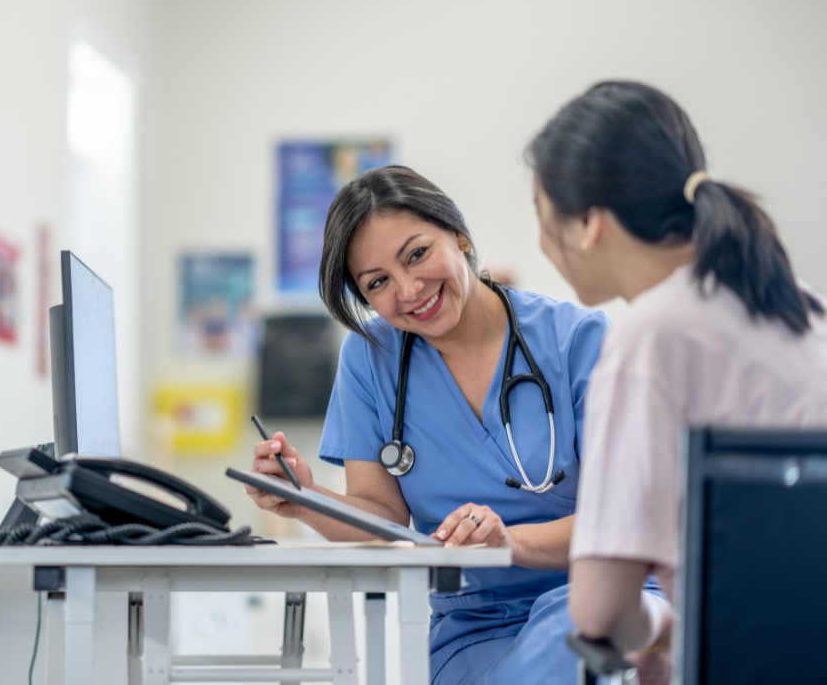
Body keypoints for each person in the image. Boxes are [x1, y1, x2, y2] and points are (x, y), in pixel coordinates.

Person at [246, 166, 648, 684]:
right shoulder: (371, 359)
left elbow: (621, 522)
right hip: (473, 624)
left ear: (458, 235)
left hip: (593, 595)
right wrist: (305, 497)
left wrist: (510, 544)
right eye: (378, 283)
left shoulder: (579, 341)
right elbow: (381, 516)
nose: (410, 290)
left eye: (416, 254)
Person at [528, 80, 827, 680]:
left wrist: (665, 627)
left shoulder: (649, 337)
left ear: (588, 222)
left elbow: (601, 613)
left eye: (541, 214)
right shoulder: (804, 308)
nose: (541, 238)